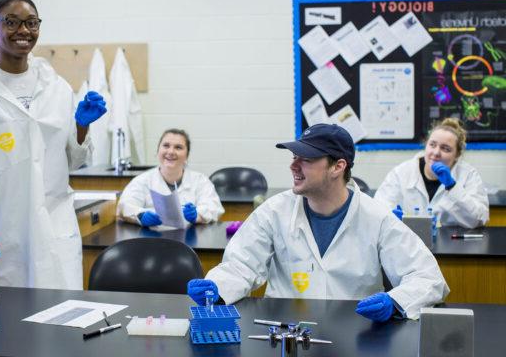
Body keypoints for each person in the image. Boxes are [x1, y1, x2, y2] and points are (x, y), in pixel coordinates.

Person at [187, 124, 449, 322]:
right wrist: (217, 286)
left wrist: (395, 302)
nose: (294, 166)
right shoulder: (274, 211)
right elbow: (241, 265)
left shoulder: (376, 217)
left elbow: (428, 278)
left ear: (338, 167)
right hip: (284, 331)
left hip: (354, 331)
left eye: (307, 159)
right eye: (293, 157)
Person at [0, 0, 106, 289]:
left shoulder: (56, 87)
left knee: (62, 320)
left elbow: (73, 160)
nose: (24, 30)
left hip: (55, 229)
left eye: (31, 23)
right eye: (12, 22)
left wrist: (81, 126)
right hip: (4, 233)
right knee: (9, 325)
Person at [375, 118, 489, 228]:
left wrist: (453, 187)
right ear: (426, 145)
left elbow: (480, 219)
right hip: (408, 242)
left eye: (446, 149)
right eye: (432, 145)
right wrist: (392, 218)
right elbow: (378, 210)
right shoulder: (401, 172)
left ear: (457, 155)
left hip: (452, 244)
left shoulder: (468, 175)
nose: (436, 153)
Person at [117, 129, 224, 226]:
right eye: (166, 146)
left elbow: (213, 207)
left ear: (187, 155)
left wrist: (197, 215)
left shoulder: (200, 181)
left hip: (190, 243)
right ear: (158, 150)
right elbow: (125, 206)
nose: (171, 152)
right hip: (151, 240)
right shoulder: (142, 180)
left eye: (178, 147)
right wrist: (141, 215)